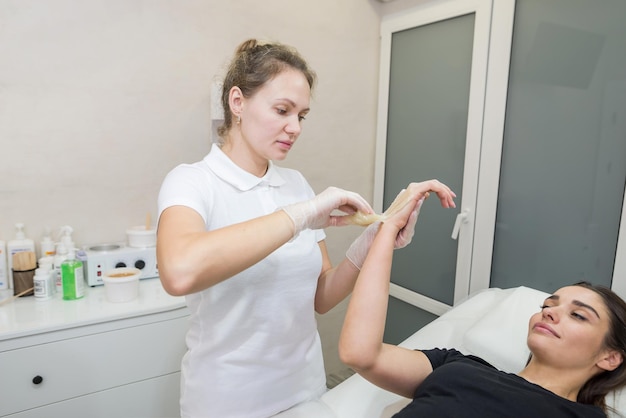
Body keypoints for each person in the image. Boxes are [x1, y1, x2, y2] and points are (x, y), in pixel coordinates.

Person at [156, 38, 456, 418]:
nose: (294, 127)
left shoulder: (294, 184)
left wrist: (371, 242)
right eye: (282, 110)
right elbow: (180, 271)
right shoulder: (192, 182)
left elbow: (321, 296)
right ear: (237, 102)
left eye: (302, 115)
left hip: (304, 390)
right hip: (227, 400)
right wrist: (298, 216)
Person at [338, 186, 626, 418]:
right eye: (548, 306)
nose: (550, 313)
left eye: (578, 315)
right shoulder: (456, 364)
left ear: (610, 357)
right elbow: (360, 354)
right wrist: (388, 229)